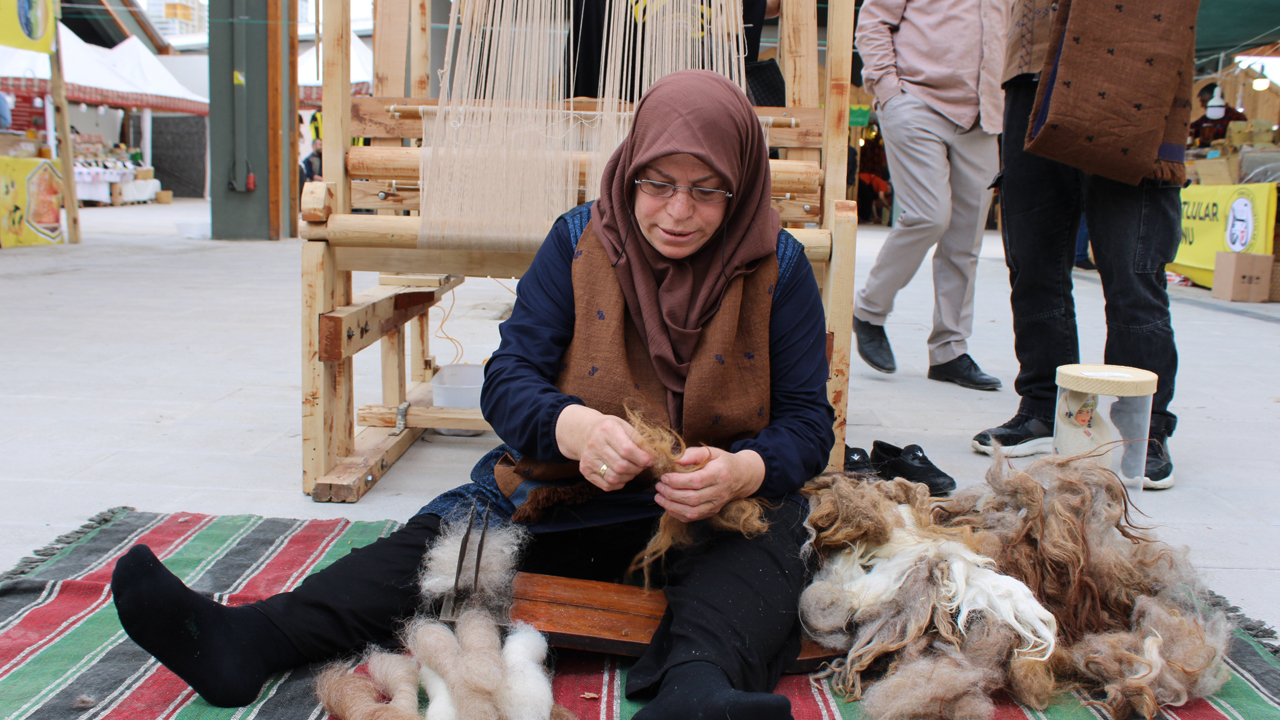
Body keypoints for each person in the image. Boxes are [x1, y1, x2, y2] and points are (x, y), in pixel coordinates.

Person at [110, 70, 834, 719]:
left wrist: (740, 472)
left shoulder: (780, 269)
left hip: (707, 514)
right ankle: (251, 641)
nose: (677, 211)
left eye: (707, 190)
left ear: (741, 187)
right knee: (443, 547)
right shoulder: (580, 242)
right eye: (657, 183)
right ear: (629, 172)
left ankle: (697, 690)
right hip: (568, 508)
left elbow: (807, 421)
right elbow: (508, 380)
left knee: (769, 542)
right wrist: (575, 428)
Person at [971, 0, 1184, 490]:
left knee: (1132, 265)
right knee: (1033, 259)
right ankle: (1045, 407)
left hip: (1131, 54)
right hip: (1031, 67)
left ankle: (1142, 427)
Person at [849, 0, 1006, 391]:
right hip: (917, 100)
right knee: (930, 215)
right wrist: (889, 89)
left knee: (967, 237)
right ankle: (869, 310)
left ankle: (949, 351)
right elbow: (873, 19)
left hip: (985, 116)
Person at [1189, 82, 1248, 147]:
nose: (1201, 105)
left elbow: (1241, 143)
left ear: (1214, 100)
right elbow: (1188, 130)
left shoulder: (1236, 117)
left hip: (1227, 156)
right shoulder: (1205, 119)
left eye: (1203, 101)